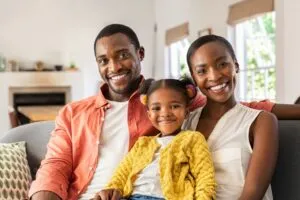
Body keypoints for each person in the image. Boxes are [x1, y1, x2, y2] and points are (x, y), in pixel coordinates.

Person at [29, 24, 299, 200]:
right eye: (103, 60)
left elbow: (233, 104)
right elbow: (56, 165)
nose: (114, 66)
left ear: (140, 54)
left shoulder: (165, 103)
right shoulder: (74, 113)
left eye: (123, 55)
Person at [183, 34, 278, 200]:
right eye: (202, 71)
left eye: (222, 64)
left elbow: (253, 193)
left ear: (236, 65)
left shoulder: (261, 122)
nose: (214, 76)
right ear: (194, 78)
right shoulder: (185, 123)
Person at [93, 79, 216, 200]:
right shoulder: (142, 143)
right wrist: (111, 189)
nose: (165, 113)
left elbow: (204, 177)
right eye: (157, 108)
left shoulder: (192, 139)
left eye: (174, 106)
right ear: (149, 115)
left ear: (187, 112)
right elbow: (122, 173)